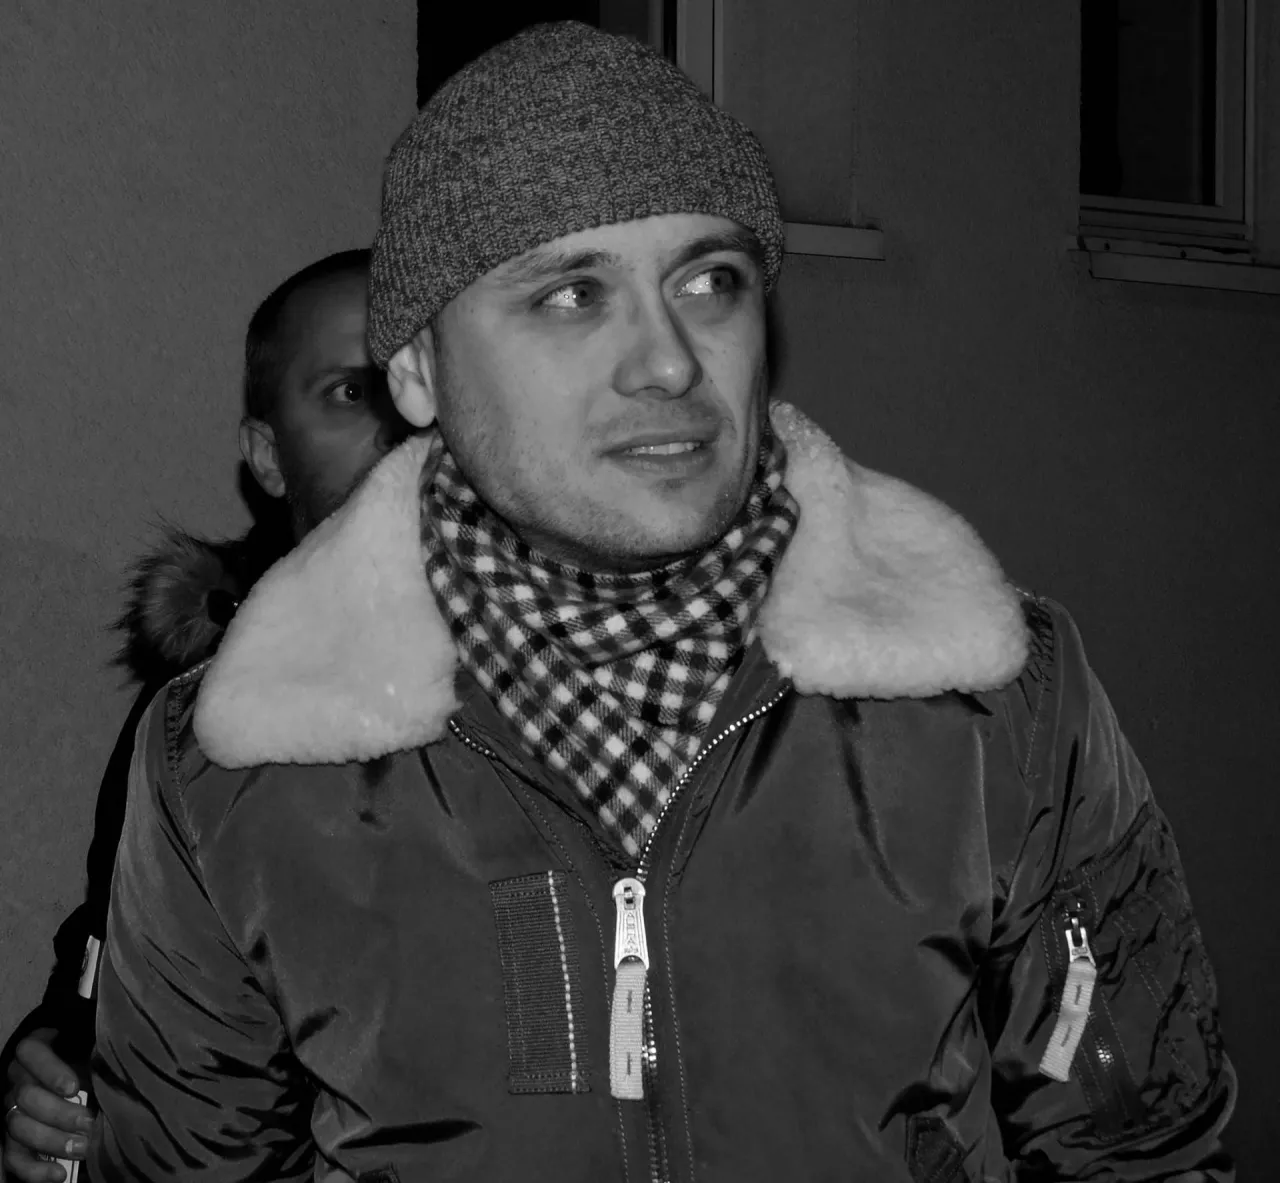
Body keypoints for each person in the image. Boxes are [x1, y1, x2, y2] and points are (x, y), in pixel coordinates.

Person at [89, 23, 1236, 1182]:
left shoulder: (994, 699)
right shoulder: (237, 763)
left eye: (708, 281)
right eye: (570, 294)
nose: (671, 361)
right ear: (419, 373)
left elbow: (1135, 1140)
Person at [1, 247, 409, 1183]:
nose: (400, 423)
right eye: (352, 392)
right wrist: (46, 1069)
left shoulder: (566, 682)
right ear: (267, 454)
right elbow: (106, 953)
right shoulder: (199, 716)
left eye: (422, 382)